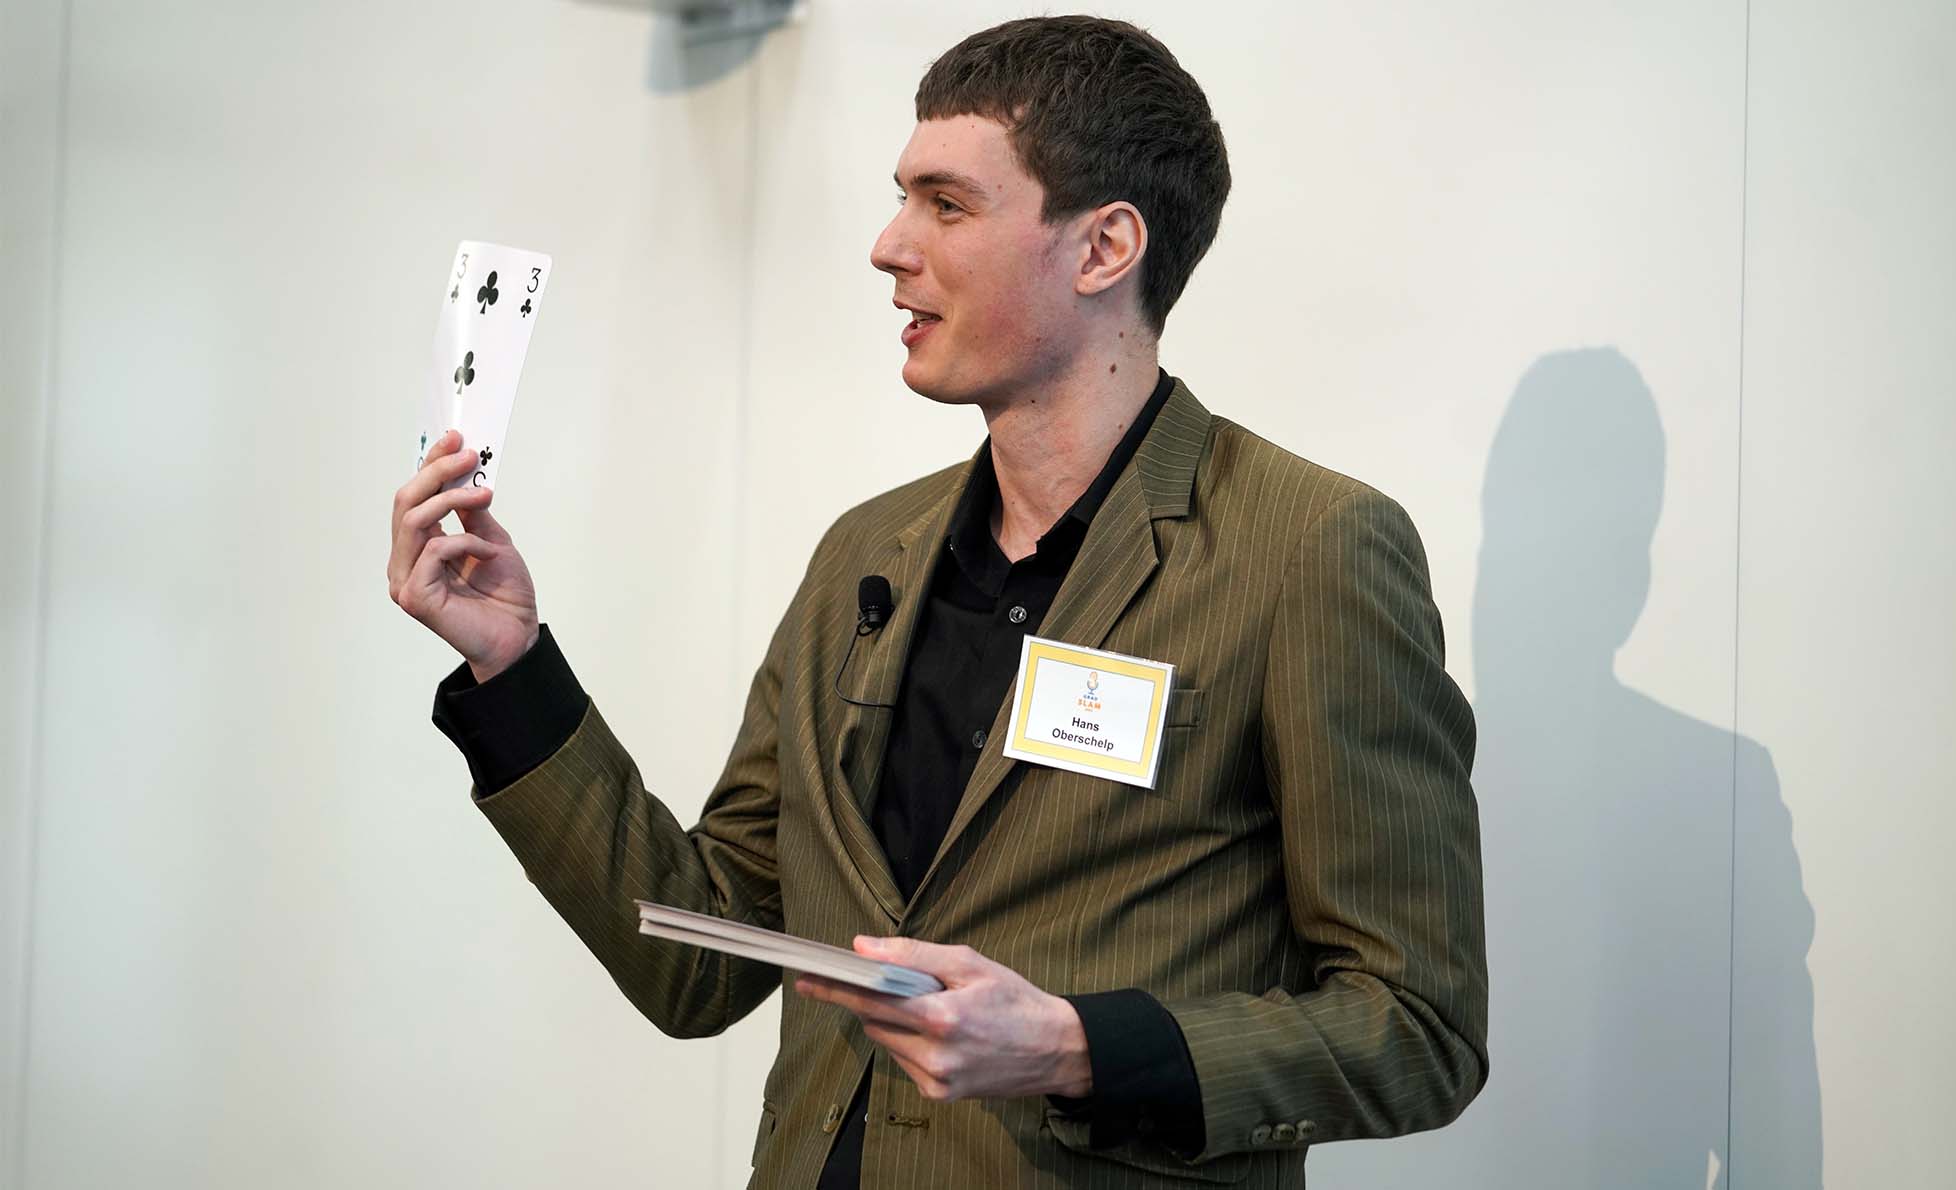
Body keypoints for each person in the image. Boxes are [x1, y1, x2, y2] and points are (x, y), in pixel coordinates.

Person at [386, 16, 1487, 1189]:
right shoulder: (864, 553)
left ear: (1104, 246)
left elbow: (1415, 1027)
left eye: (945, 204)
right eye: (899, 198)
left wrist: (1074, 1047)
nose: (887, 246)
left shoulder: (1307, 548)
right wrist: (512, 668)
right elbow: (696, 955)